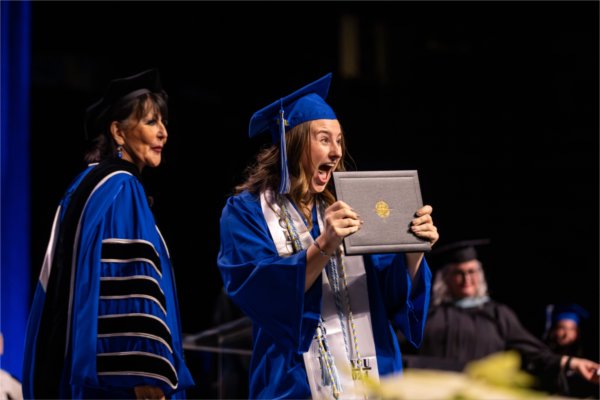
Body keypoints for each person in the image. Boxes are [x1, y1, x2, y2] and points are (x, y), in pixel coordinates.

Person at [216, 73, 439, 399]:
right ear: (291, 142)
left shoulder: (349, 206)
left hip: (374, 380)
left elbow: (391, 295)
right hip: (295, 383)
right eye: (324, 139)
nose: (336, 152)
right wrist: (323, 245)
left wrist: (413, 250)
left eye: (339, 140)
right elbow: (257, 288)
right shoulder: (246, 212)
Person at [22, 69, 194, 399]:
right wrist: (145, 373)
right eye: (150, 122)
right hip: (121, 385)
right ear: (118, 131)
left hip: (77, 372)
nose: (163, 134)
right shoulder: (123, 188)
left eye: (164, 123)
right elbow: (129, 283)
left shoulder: (83, 186)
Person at [403, 239, 599, 396]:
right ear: (445, 277)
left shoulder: (498, 314)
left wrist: (572, 363)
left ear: (480, 275)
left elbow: (534, 354)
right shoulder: (429, 313)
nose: (467, 279)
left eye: (472, 271)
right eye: (458, 273)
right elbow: (399, 349)